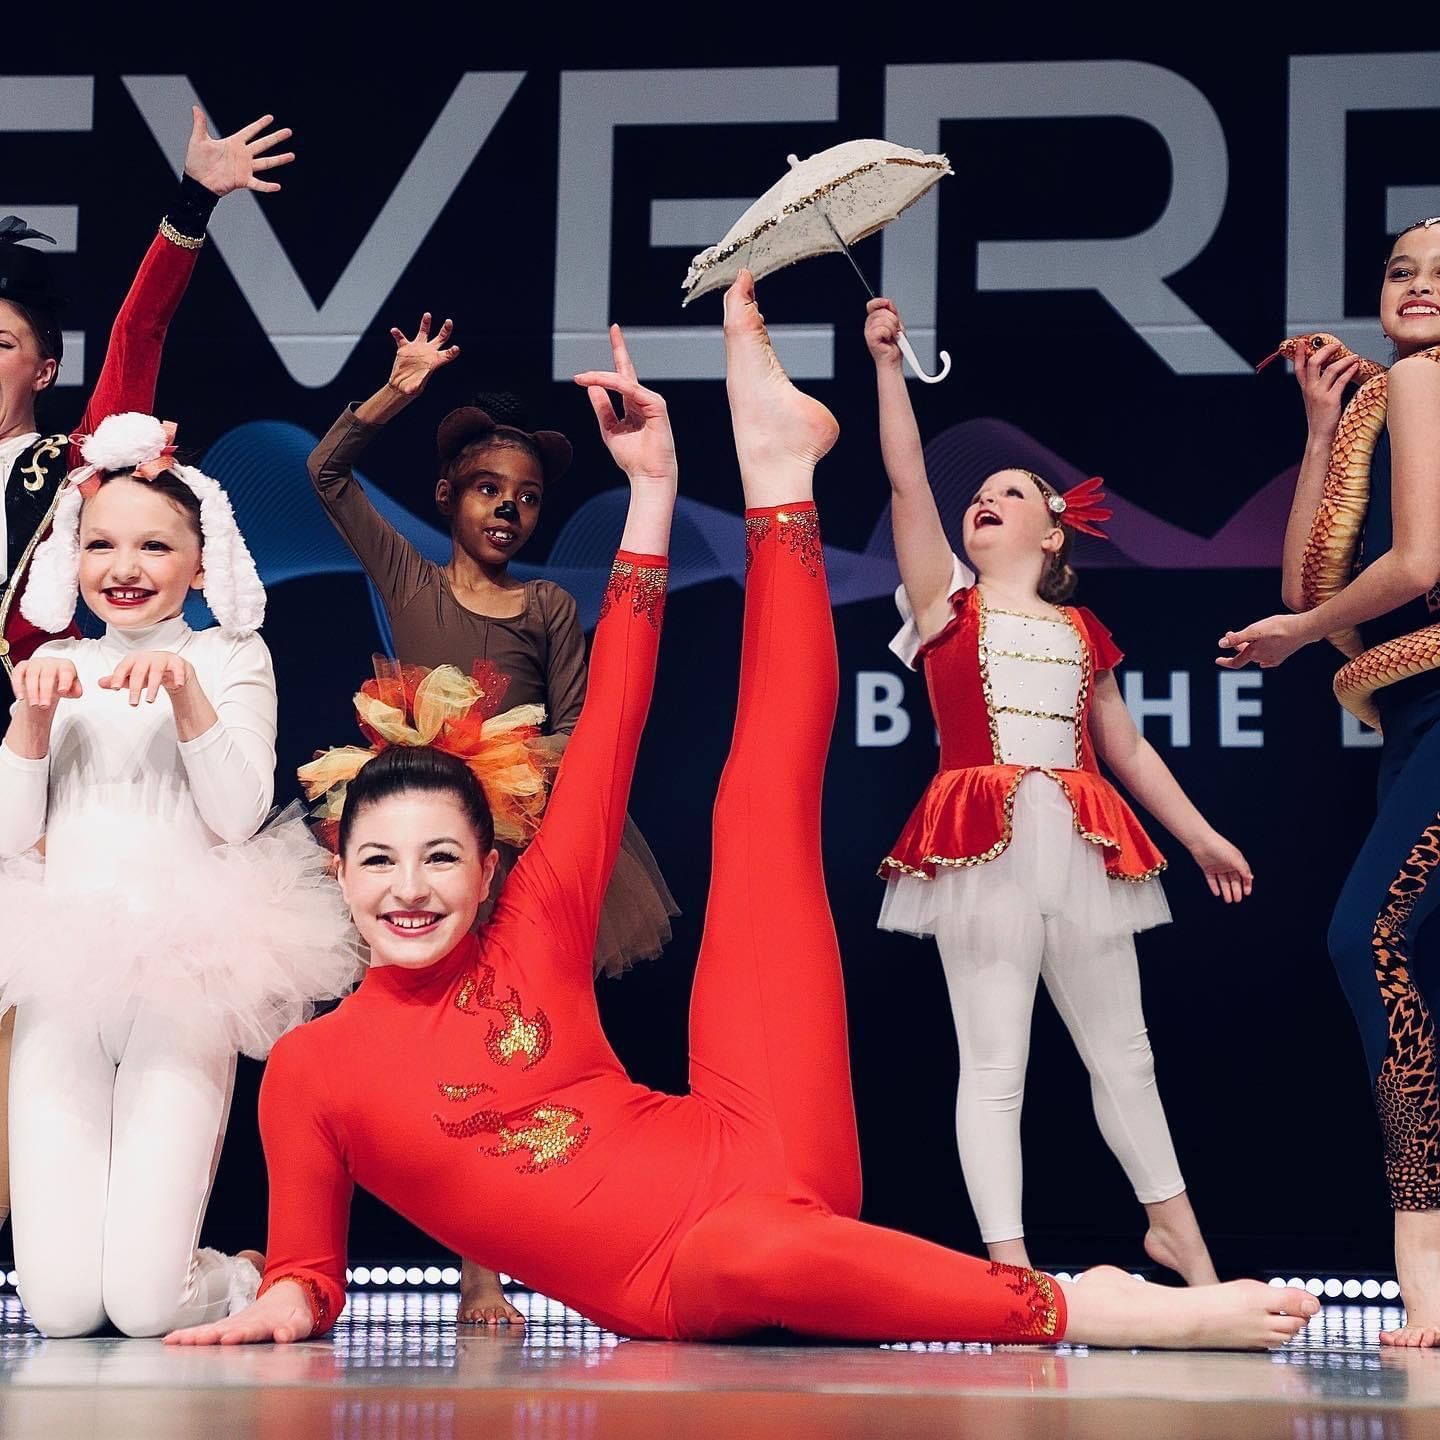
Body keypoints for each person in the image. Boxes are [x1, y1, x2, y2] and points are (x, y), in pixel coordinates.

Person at [168, 274, 1316, 1352]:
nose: (409, 887)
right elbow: (306, 1275)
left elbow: (613, 714)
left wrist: (656, 492)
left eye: (437, 859)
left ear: (484, 869)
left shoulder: (537, 921)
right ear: (338, 864)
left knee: (757, 805)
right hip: (690, 1271)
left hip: (756, 1128)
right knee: (752, 1249)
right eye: (379, 861)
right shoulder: (313, 1068)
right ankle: (1084, 1307)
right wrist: (284, 1305)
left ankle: (777, 474)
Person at [867, 297, 1250, 1284]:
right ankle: (1013, 1270)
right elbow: (908, 484)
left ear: (1053, 535)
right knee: (996, 1060)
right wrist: (884, 366)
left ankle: (1187, 1249)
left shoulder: (1085, 633)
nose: (983, 499)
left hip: (1086, 838)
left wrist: (1202, 836)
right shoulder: (944, 606)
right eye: (979, 493)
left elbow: (1124, 745)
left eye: (1011, 491)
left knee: (1125, 1051)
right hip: (982, 838)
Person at [306, 314, 678, 1323]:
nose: (508, 509)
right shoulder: (410, 577)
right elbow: (329, 476)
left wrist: (522, 804)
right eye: (486, 489)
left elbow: (574, 728)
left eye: (525, 498)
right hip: (408, 838)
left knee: (501, 1046)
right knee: (395, 1047)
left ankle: (492, 1266)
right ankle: (310, 1252)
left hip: (509, 845)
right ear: (446, 498)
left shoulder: (552, 608)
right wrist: (398, 389)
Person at [0, 103, 294, 1242]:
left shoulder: (69, 487)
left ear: (45, 365)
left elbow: (138, 348)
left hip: (52, 800)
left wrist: (191, 204)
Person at [0, 413, 357, 1337]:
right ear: (71, 560)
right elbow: (8, 835)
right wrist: (29, 731)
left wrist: (187, 696)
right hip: (61, 968)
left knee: (145, 1303)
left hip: (188, 968)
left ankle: (239, 1277)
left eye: (156, 545)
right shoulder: (56, 664)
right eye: (102, 543)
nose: (126, 566)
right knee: (64, 1311)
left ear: (201, 563)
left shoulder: (231, 655)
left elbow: (238, 814)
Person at [1219, 217, 1440, 1346]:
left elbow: (1415, 569)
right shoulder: (1385, 399)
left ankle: (1426, 1258)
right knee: (1410, 958)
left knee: (1375, 941)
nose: (1419, 287)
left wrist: (1300, 634)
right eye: (1402, 269)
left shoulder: (1423, 385)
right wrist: (1319, 431)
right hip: (1411, 717)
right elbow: (1314, 566)